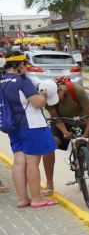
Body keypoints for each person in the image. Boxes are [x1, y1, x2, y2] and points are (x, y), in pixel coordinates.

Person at [41, 77, 89, 199]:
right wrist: (65, 132)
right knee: (49, 146)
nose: (55, 102)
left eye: (56, 98)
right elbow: (55, 117)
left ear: (60, 90)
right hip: (62, 122)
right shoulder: (47, 98)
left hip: (81, 120)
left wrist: (85, 135)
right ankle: (49, 183)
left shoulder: (77, 91)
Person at [1, 56, 58, 208]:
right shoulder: (23, 81)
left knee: (19, 162)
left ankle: (22, 199)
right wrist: (43, 95)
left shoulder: (2, 80)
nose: (27, 68)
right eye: (25, 65)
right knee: (32, 163)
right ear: (20, 64)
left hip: (13, 126)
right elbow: (38, 103)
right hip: (32, 126)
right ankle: (37, 199)